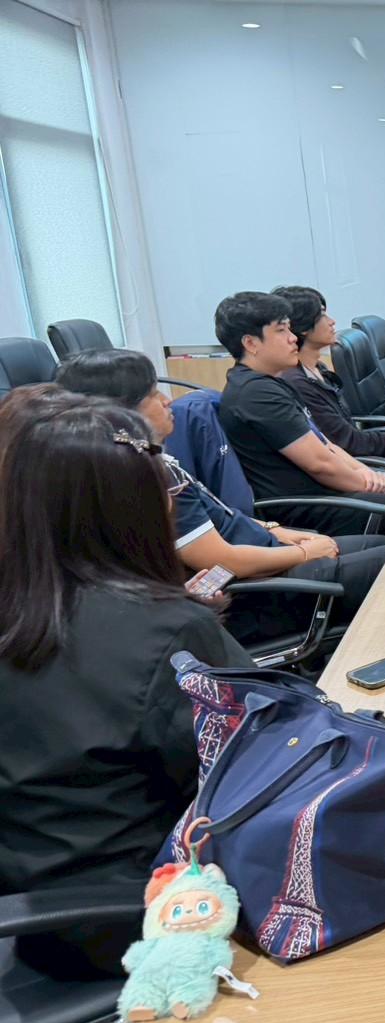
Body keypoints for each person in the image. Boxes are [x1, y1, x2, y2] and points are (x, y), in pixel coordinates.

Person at [0, 387, 254, 977]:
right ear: (131, 510)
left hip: (34, 917)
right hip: (157, 915)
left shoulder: (23, 612)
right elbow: (252, 767)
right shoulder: (163, 630)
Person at [56, 348, 385, 647]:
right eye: (153, 395)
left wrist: (276, 531)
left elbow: (220, 516)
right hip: (256, 593)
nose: (167, 401)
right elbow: (223, 561)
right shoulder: (143, 480)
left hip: (267, 559)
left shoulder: (156, 460)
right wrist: (304, 552)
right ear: (121, 413)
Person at [216, 291, 385, 536]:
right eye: (281, 330)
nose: (293, 338)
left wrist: (365, 473)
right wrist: (367, 483)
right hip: (314, 508)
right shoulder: (256, 394)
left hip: (333, 493)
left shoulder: (272, 381)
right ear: (251, 343)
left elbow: (325, 445)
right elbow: (320, 464)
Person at [273, 284, 385, 471]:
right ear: (302, 326)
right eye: (322, 315)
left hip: (364, 460)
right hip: (354, 472)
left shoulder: (318, 369)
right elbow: (347, 442)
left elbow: (349, 436)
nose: (332, 321)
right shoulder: (298, 382)